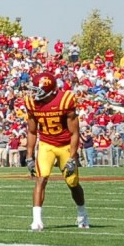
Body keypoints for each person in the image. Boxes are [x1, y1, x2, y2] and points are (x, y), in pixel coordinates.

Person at [24, 71, 88, 231]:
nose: (34, 94)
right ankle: (37, 221)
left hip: (65, 145)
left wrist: (73, 157)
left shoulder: (65, 100)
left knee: (73, 184)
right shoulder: (32, 103)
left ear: (49, 90)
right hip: (46, 144)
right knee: (41, 179)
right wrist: (29, 156)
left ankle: (82, 214)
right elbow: (32, 131)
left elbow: (74, 133)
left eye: (37, 90)